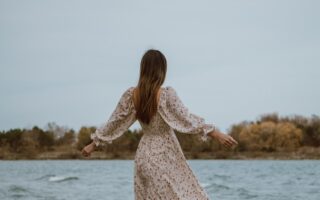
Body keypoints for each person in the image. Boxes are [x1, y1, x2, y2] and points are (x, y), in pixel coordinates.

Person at [81, 49, 238, 200]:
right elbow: (187, 120)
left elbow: (114, 123)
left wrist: (93, 144)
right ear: (161, 70)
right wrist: (216, 133)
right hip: (165, 154)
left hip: (144, 156)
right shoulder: (166, 95)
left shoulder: (132, 95)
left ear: (143, 69)